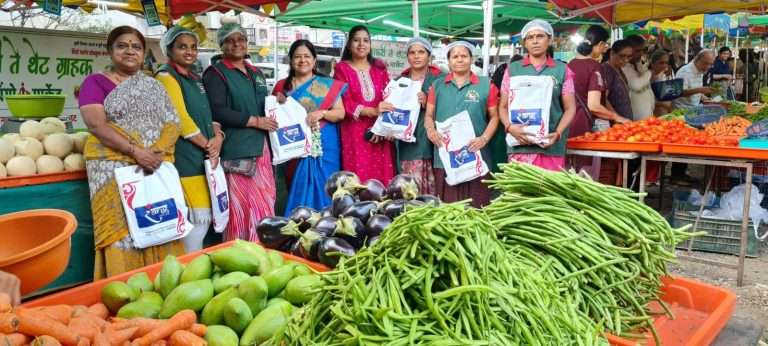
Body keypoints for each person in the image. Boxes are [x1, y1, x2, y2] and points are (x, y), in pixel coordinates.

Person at [78, 26, 184, 278]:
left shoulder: (153, 85)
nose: (130, 51)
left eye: (136, 46)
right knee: (122, 231)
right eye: (122, 45)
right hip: (112, 168)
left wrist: (156, 153)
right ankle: (121, 287)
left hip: (152, 165)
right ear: (110, 51)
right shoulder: (94, 82)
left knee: (158, 221)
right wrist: (136, 152)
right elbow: (96, 125)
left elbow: (173, 122)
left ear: (144, 53)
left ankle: (162, 282)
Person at [203, 22, 276, 242]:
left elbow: (263, 103)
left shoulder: (256, 72)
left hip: (262, 148)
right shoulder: (216, 73)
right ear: (222, 45)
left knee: (265, 201)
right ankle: (241, 250)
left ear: (247, 43)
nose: (236, 44)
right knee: (241, 206)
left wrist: (277, 103)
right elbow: (217, 110)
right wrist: (254, 121)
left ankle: (264, 247)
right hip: (237, 151)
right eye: (230, 40)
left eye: (241, 39)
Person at [155, 26, 224, 252]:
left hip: (203, 155)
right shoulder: (166, 76)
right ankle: (189, 263)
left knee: (202, 219)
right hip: (185, 157)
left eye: (193, 47)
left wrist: (217, 137)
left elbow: (208, 113)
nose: (189, 52)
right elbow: (180, 120)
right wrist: (208, 145)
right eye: (182, 47)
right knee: (196, 218)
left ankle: (192, 262)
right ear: (169, 49)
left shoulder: (195, 77)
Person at [273, 40, 347, 213]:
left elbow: (340, 113)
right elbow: (274, 116)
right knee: (296, 185)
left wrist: (322, 113)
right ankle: (299, 223)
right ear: (291, 60)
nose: (302, 60)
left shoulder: (326, 84)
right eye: (297, 56)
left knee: (326, 186)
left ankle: (327, 224)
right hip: (294, 145)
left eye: (307, 56)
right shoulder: (281, 87)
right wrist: (280, 104)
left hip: (324, 144)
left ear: (314, 61)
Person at [424, 41, 499, 208]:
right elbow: (429, 115)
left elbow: (495, 117)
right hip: (446, 155)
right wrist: (430, 131)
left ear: (471, 59)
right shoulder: (437, 86)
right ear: (449, 61)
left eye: (464, 56)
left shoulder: (486, 85)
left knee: (477, 207)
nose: (459, 60)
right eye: (455, 56)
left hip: (477, 155)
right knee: (448, 208)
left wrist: (484, 138)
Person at [499, 19, 576, 171]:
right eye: (530, 37)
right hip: (519, 146)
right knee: (520, 192)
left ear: (549, 40)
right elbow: (502, 106)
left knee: (549, 192)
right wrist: (509, 127)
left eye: (540, 36)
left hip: (551, 145)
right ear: (525, 43)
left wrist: (558, 133)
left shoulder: (562, 70)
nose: (535, 41)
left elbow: (570, 108)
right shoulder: (512, 70)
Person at [333, 25, 395, 183]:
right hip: (354, 131)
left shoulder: (379, 68)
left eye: (365, 40)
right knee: (358, 177)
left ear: (370, 44)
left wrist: (384, 127)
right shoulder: (342, 69)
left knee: (382, 177)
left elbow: (389, 97)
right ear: (349, 45)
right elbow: (344, 101)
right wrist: (372, 111)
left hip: (379, 130)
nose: (361, 44)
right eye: (356, 40)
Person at [568, 25, 629, 179]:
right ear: (601, 44)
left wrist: (613, 114)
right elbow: (594, 105)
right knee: (588, 175)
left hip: (569, 125)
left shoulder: (569, 65)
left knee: (571, 170)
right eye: (605, 45)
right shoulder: (595, 67)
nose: (605, 49)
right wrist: (617, 118)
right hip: (587, 128)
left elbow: (602, 99)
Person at [392, 37, 444, 194]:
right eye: (412, 52)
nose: (416, 56)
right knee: (411, 191)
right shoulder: (399, 81)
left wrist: (429, 103)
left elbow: (449, 108)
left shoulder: (440, 80)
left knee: (434, 190)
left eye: (421, 52)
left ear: (429, 56)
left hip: (434, 142)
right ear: (407, 56)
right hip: (408, 145)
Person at [622, 35, 654, 120]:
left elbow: (646, 79)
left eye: (643, 50)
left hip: (647, 113)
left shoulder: (638, 63)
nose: (641, 54)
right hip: (636, 116)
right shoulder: (623, 67)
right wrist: (651, 72)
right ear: (628, 50)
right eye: (637, 51)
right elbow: (636, 85)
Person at [602, 39, 634, 120]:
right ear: (612, 53)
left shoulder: (618, 68)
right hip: (616, 123)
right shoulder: (606, 70)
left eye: (629, 56)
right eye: (622, 56)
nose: (626, 60)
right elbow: (603, 98)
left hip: (624, 121)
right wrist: (616, 118)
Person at [650, 49, 674, 116]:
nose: (664, 65)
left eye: (666, 63)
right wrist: (663, 104)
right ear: (653, 64)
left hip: (665, 113)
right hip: (653, 114)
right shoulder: (649, 78)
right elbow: (645, 100)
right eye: (661, 63)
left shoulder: (665, 75)